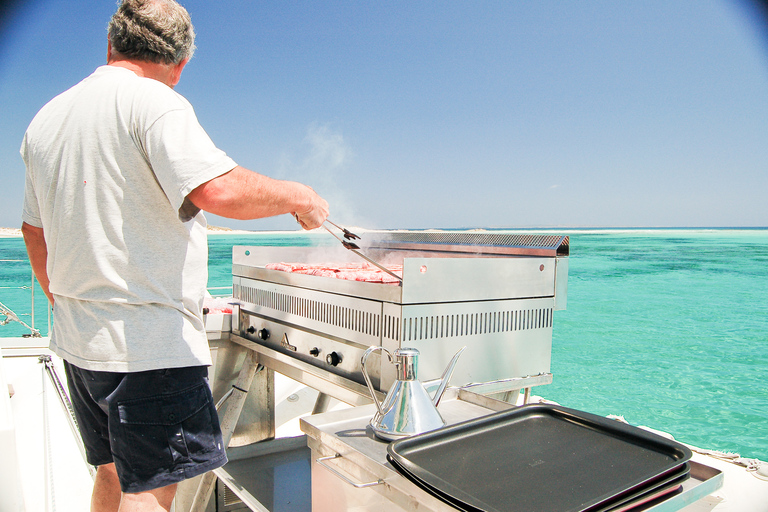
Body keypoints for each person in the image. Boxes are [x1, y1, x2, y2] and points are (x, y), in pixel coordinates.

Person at [20, 0, 329, 510]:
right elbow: (219, 191)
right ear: (180, 65)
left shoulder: (47, 118)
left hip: (80, 341)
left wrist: (66, 299)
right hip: (147, 349)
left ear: (111, 44)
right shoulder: (155, 103)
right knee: (151, 494)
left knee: (113, 477)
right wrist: (300, 196)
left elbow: (34, 231)